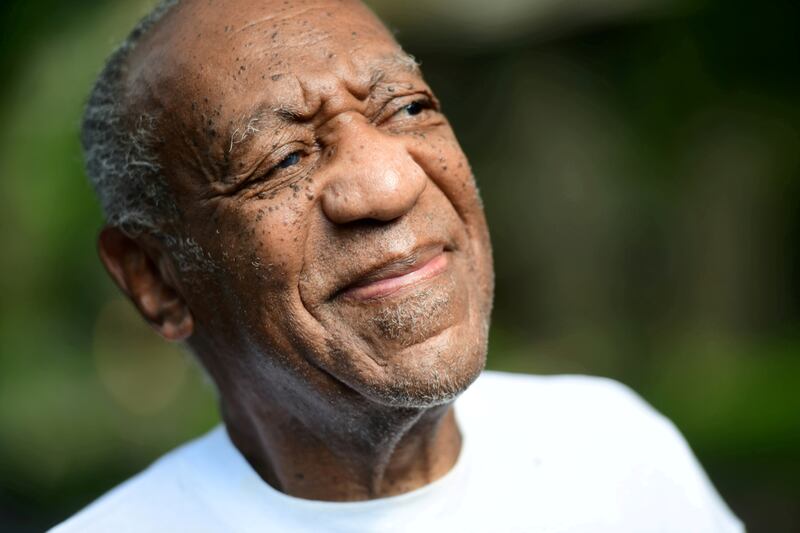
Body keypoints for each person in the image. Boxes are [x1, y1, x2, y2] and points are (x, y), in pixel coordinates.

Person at [52, 0, 744, 531]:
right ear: (156, 279)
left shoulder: (617, 449)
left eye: (409, 107)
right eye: (282, 159)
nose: (390, 183)